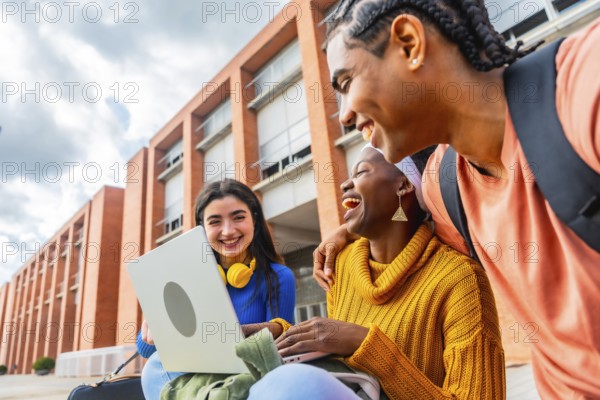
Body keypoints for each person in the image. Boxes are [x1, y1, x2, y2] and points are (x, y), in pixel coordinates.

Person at [314, 1, 600, 398]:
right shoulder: (444, 188)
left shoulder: (584, 86)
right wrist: (345, 234)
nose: (344, 115)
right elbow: (400, 232)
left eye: (346, 83)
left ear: (410, 43)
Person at [249, 146, 505, 399]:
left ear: (403, 185)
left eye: (361, 172)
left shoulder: (460, 280)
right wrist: (277, 335)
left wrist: (366, 345)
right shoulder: (341, 264)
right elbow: (341, 369)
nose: (345, 185)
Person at [137, 179, 296, 400]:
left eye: (238, 217)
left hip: (245, 379)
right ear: (202, 229)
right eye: (215, 222)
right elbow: (145, 351)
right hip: (194, 379)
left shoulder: (278, 276)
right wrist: (154, 325)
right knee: (154, 366)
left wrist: (226, 336)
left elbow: (279, 349)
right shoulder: (190, 275)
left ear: (255, 221)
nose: (228, 231)